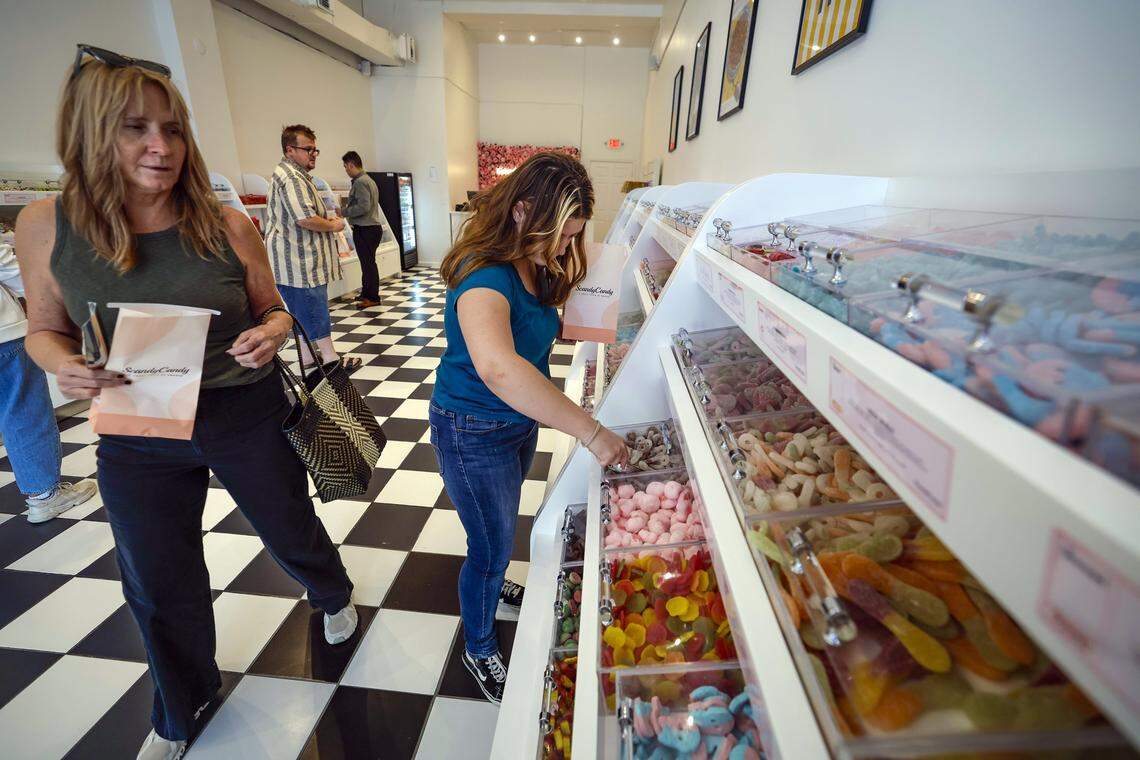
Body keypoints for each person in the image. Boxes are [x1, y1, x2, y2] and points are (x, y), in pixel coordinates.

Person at [16, 45, 358, 760]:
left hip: (242, 410)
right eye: (136, 128)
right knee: (157, 575)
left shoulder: (225, 225)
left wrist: (268, 333)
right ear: (89, 131)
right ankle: (180, 704)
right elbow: (44, 330)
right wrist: (65, 367)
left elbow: (275, 312)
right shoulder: (47, 226)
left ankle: (330, 592)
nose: (161, 147)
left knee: (289, 527)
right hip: (135, 427)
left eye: (173, 129)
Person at [431, 152, 630, 703]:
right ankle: (478, 644)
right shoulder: (484, 276)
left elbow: (537, 330)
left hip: (515, 424)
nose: (566, 248)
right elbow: (498, 366)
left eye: (573, 237)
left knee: (499, 523)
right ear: (522, 212)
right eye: (562, 236)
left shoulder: (531, 262)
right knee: (489, 544)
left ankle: (493, 583)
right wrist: (591, 431)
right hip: (472, 428)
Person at [0, 241, 98, 523]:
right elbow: (9, 268)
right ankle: (44, 496)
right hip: (3, 336)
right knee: (23, 412)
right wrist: (54, 301)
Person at [265, 124, 360, 371]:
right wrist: (335, 225)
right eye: (308, 149)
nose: (313, 155)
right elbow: (305, 218)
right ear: (289, 150)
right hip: (299, 261)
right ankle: (330, 359)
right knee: (312, 306)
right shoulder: (292, 178)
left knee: (302, 309)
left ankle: (308, 356)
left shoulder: (291, 175)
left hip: (298, 260)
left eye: (315, 150)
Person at [339, 150, 384, 309]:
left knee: (368, 264)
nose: (346, 170)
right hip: (371, 228)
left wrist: (343, 212)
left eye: (346, 167)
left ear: (351, 165)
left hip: (366, 228)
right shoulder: (369, 180)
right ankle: (366, 292)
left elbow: (363, 207)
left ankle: (372, 297)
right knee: (367, 263)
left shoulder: (360, 182)